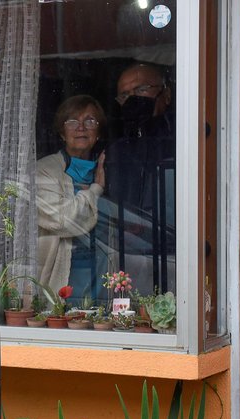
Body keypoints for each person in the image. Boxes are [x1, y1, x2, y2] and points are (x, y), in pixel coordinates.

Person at [103, 62, 175, 297]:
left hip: (178, 251)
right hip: (129, 253)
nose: (133, 99)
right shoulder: (116, 150)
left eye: (142, 89)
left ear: (166, 94)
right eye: (125, 95)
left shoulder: (184, 139)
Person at [36, 95, 108, 303]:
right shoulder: (45, 171)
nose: (81, 128)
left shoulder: (108, 167)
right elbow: (63, 220)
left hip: (101, 264)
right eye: (72, 121)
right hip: (64, 266)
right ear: (61, 132)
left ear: (98, 132)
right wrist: (95, 190)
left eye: (90, 121)